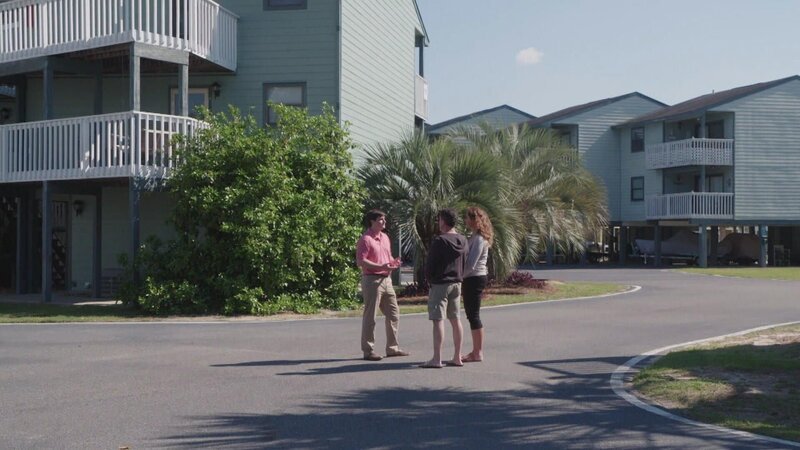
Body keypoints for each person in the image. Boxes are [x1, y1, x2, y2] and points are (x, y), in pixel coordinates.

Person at [356, 209, 409, 361]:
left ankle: (392, 348)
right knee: (371, 317)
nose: (384, 222)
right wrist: (381, 266)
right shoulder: (365, 239)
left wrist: (393, 262)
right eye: (381, 219)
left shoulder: (385, 237)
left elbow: (387, 256)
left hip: (387, 280)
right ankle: (368, 351)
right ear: (372, 221)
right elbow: (361, 261)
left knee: (394, 314)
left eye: (384, 219)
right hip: (372, 280)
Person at [421, 208, 468, 368]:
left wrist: (429, 278)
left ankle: (437, 358)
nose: (438, 222)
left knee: (438, 319)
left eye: (439, 219)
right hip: (457, 282)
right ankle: (457, 356)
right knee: (455, 319)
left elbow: (430, 264)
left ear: (444, 221)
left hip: (440, 283)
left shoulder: (440, 241)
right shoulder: (463, 240)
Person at [461, 206, 493, 363]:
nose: (465, 220)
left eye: (467, 217)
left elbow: (471, 264)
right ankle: (475, 351)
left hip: (475, 278)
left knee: (473, 315)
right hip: (471, 277)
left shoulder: (479, 239)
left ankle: (477, 353)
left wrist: (458, 277)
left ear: (474, 220)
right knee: (471, 315)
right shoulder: (473, 237)